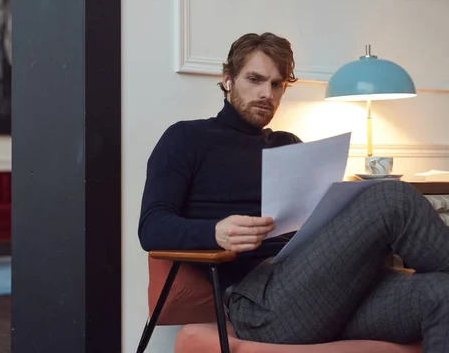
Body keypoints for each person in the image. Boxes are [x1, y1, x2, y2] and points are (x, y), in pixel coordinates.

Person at [138, 32, 449, 351]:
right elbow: (151, 226)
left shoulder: (287, 144)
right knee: (390, 197)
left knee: (442, 293)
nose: (266, 93)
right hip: (263, 305)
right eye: (255, 79)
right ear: (228, 80)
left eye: (277, 84)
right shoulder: (186, 138)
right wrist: (215, 231)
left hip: (328, 293)